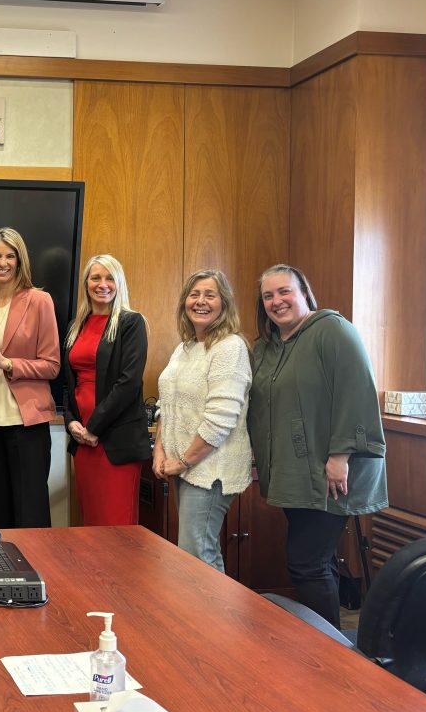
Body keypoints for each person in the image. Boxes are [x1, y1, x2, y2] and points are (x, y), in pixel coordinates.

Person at [247, 263, 387, 627]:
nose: (277, 301)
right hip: (295, 472)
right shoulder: (269, 347)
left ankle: (329, 651)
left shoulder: (332, 330)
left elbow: (356, 393)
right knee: (319, 562)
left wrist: (340, 457)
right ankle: (328, 642)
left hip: (331, 472)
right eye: (268, 296)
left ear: (304, 293)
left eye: (284, 292)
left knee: (305, 562)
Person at [154, 269, 252, 571]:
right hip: (185, 467)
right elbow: (165, 405)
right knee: (195, 554)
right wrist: (159, 449)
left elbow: (220, 419)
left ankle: (215, 620)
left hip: (210, 469)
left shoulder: (230, 347)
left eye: (210, 295)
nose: (200, 301)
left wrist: (182, 461)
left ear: (224, 303)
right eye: (194, 295)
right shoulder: (184, 349)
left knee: (197, 557)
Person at [0, 227, 60, 529]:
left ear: (19, 261)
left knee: (30, 512)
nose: (2, 262)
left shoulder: (40, 301)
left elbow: (52, 365)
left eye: (9, 256)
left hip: (26, 424)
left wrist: (8, 363)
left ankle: (37, 574)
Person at [63, 255, 150, 525]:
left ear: (119, 282)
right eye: (95, 277)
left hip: (114, 440)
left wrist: (94, 427)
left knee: (116, 526)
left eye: (109, 277)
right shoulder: (76, 326)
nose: (103, 284)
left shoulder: (131, 323)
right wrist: (72, 424)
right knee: (91, 523)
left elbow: (129, 383)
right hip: (83, 441)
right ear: (86, 283)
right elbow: (68, 383)